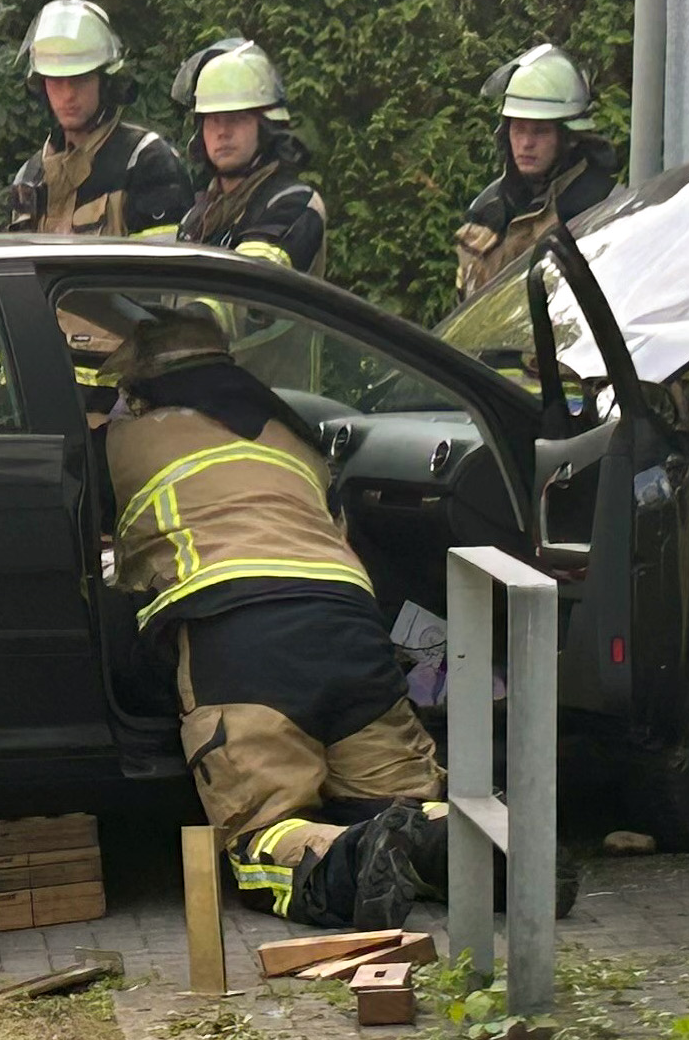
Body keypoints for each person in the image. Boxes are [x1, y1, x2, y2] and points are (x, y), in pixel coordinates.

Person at [88, 298, 455, 929]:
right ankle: (491, 850)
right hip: (350, 623)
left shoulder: (121, 441)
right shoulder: (298, 437)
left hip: (239, 636)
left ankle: (349, 861)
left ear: (142, 385)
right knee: (399, 803)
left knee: (264, 832)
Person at [6, 0, 191, 237]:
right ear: (42, 86)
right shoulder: (30, 176)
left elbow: (164, 260)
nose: (68, 95)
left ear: (105, 82)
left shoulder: (145, 163)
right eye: (56, 81)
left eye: (81, 79)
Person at [454, 42, 625, 301]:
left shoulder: (604, 207)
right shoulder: (486, 212)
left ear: (568, 138)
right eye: (518, 129)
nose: (526, 143)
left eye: (540, 131)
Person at [173, 41, 326, 269]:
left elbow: (246, 281)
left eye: (236, 117)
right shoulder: (196, 218)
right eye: (213, 119)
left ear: (265, 128)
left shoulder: (292, 204)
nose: (222, 132)